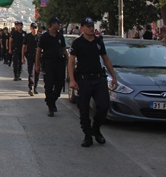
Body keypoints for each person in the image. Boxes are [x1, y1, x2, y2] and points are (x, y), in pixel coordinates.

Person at [68, 17, 118, 147]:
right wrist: (72, 80)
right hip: (84, 80)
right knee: (84, 110)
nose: (91, 28)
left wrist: (114, 76)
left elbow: (106, 59)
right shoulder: (77, 43)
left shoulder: (98, 42)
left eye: (92, 26)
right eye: (88, 26)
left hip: (98, 79)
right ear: (82, 27)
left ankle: (96, 129)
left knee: (103, 107)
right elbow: (71, 62)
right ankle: (87, 135)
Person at [35, 17, 68, 117]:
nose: (59, 26)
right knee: (49, 85)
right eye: (58, 24)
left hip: (59, 64)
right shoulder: (44, 37)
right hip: (48, 64)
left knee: (59, 85)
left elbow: (64, 50)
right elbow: (38, 51)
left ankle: (52, 100)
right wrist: (37, 65)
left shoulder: (60, 36)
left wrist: (69, 59)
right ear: (53, 24)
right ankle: (50, 106)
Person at [22, 22, 40, 96]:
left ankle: (35, 87)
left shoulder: (39, 37)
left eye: (35, 28)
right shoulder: (27, 36)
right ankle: (31, 87)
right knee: (31, 72)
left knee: (37, 72)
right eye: (33, 28)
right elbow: (24, 47)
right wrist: (22, 57)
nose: (34, 29)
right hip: (30, 55)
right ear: (30, 28)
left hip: (38, 57)